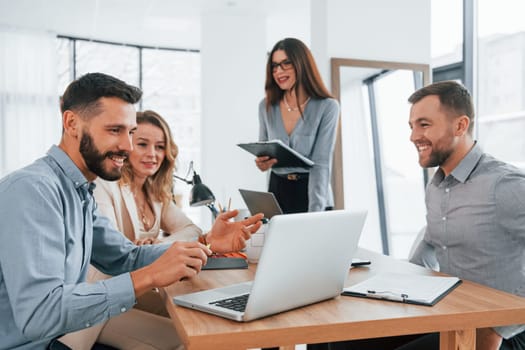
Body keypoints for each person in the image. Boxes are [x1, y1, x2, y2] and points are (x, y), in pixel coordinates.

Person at [0, 72, 263, 350]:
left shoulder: (80, 192)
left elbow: (125, 257)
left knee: (201, 341)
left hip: (60, 334)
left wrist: (206, 244)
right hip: (38, 343)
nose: (126, 146)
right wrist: (149, 276)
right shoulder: (34, 190)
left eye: (130, 132)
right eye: (115, 130)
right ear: (71, 123)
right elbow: (40, 315)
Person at [405, 80, 525, 350]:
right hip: (455, 319)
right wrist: (397, 284)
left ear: (460, 126)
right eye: (411, 126)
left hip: (507, 333)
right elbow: (433, 244)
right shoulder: (435, 188)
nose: (413, 136)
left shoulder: (505, 184)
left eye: (424, 125)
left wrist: (499, 328)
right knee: (345, 340)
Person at [255, 37, 340, 213]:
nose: (279, 71)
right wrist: (263, 163)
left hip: (312, 190)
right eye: (274, 66)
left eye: (286, 64)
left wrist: (315, 211)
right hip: (278, 189)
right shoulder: (266, 106)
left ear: (302, 64)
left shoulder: (327, 107)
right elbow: (263, 148)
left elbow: (321, 163)